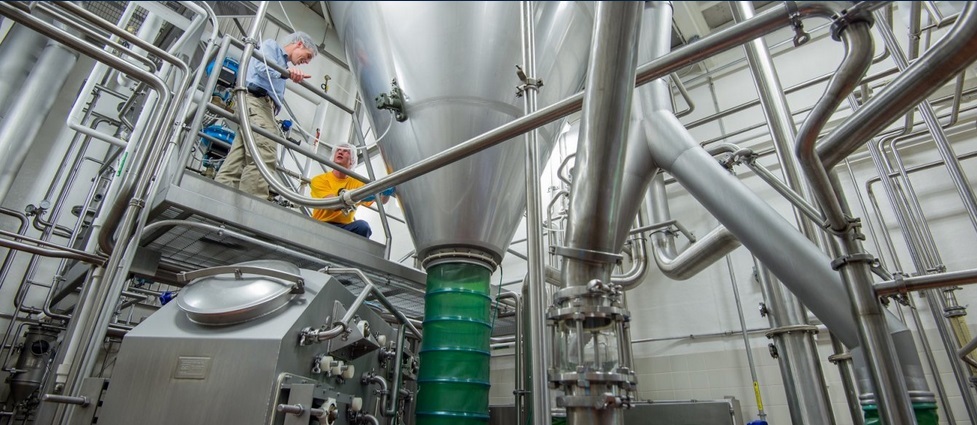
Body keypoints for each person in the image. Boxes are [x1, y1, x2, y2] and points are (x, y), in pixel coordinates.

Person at [215, 32, 316, 200]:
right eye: (307, 56)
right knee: (264, 152)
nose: (306, 62)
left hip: (257, 105)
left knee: (239, 157)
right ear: (299, 44)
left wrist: (286, 72)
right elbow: (262, 68)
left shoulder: (281, 61)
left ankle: (218, 195)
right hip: (257, 102)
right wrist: (287, 73)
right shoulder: (272, 47)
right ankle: (253, 203)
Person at [310, 143, 394, 238]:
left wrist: (386, 190)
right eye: (338, 150)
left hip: (345, 227)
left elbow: (382, 200)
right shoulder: (319, 180)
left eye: (346, 151)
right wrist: (357, 197)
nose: (341, 152)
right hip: (321, 224)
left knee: (363, 227)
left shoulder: (357, 183)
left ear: (352, 160)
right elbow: (333, 204)